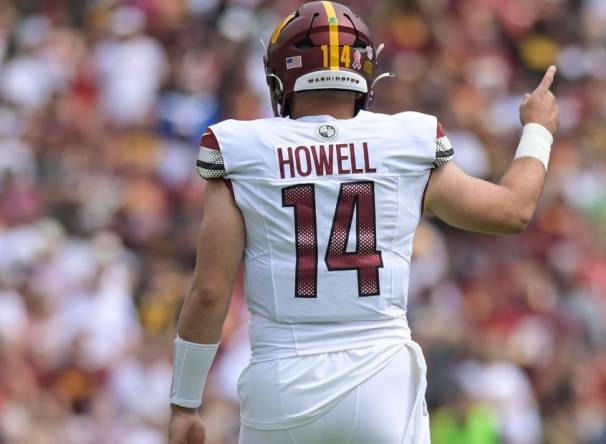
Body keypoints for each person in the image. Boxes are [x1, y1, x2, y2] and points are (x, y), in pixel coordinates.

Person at [167, 1, 559, 443]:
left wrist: (185, 402)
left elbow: (209, 292)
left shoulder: (243, 147)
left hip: (283, 378)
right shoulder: (404, 141)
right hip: (381, 379)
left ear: (281, 76)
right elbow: (512, 210)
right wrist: (538, 129)